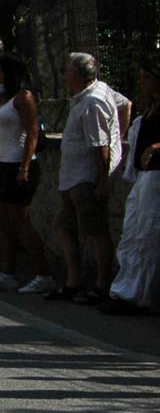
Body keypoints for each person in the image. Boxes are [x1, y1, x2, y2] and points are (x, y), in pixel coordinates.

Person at [0, 54, 57, 293]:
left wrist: (24, 167)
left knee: (20, 221)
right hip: (3, 163)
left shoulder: (25, 97)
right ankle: (7, 272)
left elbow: (32, 132)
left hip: (19, 164)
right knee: (4, 220)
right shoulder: (5, 98)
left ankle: (44, 274)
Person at [52, 52, 123, 304]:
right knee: (65, 225)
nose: (63, 75)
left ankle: (102, 285)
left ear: (78, 75)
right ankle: (74, 281)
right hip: (72, 174)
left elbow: (100, 145)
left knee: (95, 230)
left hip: (86, 177)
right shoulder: (92, 94)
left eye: (67, 70)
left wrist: (102, 180)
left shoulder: (93, 102)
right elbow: (124, 104)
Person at [103, 61, 159, 314]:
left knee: (147, 236)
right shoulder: (150, 110)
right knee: (133, 234)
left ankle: (140, 295)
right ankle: (126, 291)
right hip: (144, 178)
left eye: (147, 77)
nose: (142, 82)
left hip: (156, 178)